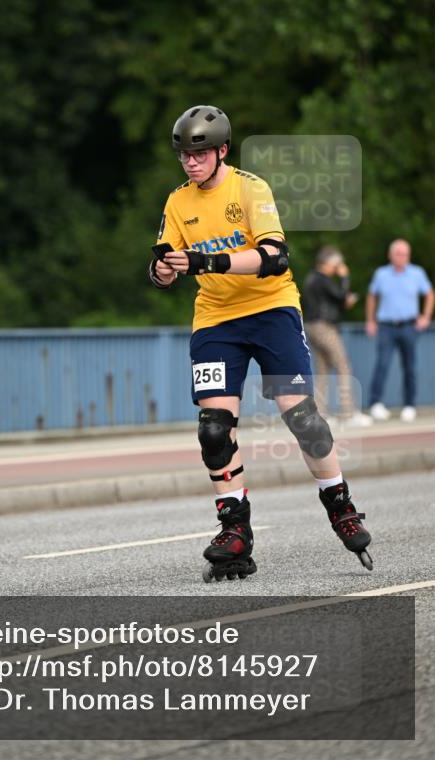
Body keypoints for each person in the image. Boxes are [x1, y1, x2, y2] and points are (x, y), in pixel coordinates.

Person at [148, 105, 373, 581]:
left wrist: (207, 262)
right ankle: (235, 529)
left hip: (271, 310)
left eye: (200, 154)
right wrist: (163, 270)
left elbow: (274, 257)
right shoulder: (178, 202)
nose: (191, 162)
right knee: (214, 429)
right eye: (184, 155)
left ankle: (340, 503)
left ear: (222, 151)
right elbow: (163, 266)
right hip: (216, 319)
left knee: (304, 420)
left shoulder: (250, 188)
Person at [302, 247, 372, 427]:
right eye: (336, 264)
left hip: (311, 326)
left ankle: (319, 415)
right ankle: (349, 414)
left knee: (323, 370)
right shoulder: (322, 279)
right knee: (343, 366)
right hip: (324, 327)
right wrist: (344, 277)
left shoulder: (311, 278)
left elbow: (333, 300)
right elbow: (341, 296)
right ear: (328, 263)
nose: (337, 268)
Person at [366, 239, 433, 422]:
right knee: (382, 364)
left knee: (410, 366)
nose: (402, 257)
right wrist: (370, 320)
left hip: (409, 326)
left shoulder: (417, 273)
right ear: (390, 255)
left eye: (405, 254)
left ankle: (409, 405)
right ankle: (375, 404)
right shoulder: (381, 274)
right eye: (398, 253)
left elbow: (429, 293)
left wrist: (426, 316)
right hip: (386, 327)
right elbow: (372, 296)